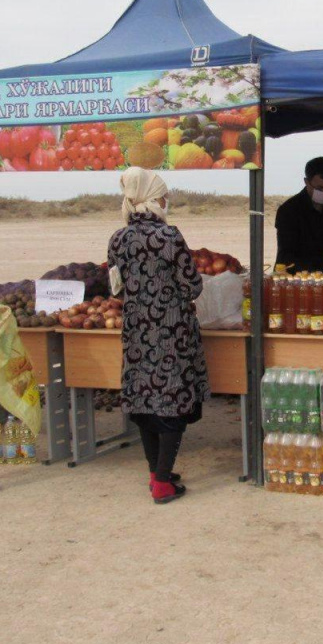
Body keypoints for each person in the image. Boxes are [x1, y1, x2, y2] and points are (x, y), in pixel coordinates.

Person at [108, 167, 210, 504]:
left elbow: (116, 290)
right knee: (171, 403)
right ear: (153, 198)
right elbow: (192, 285)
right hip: (171, 332)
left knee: (144, 400)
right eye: (163, 194)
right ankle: (164, 483)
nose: (167, 200)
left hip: (137, 331)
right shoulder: (169, 237)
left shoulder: (117, 239)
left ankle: (156, 472)